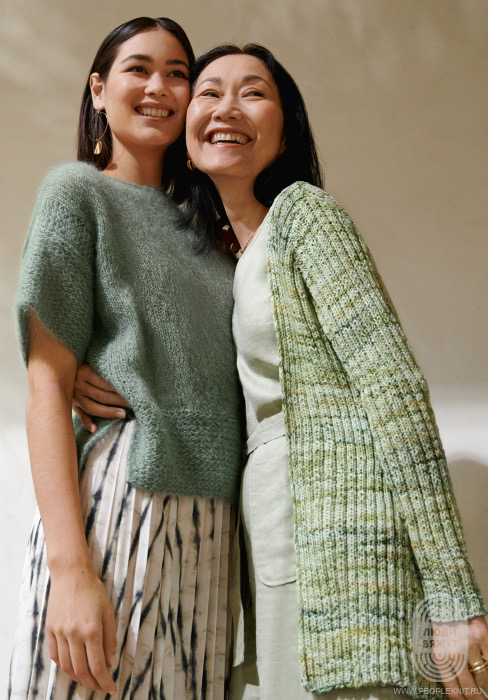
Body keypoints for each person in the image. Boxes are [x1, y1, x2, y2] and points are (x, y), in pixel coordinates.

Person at [70, 43, 488, 700]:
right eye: (209, 92)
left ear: (286, 130)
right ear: (186, 138)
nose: (227, 107)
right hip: (254, 552)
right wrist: (81, 373)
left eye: (253, 92)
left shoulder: (305, 216)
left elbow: (394, 391)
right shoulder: (222, 267)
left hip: (333, 552)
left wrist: (452, 596)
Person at [9, 18, 243, 698]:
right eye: (139, 68)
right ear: (98, 89)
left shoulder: (210, 233)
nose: (160, 87)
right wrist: (70, 570)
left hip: (213, 526)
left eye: (178, 74)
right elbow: (46, 389)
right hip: (119, 503)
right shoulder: (76, 193)